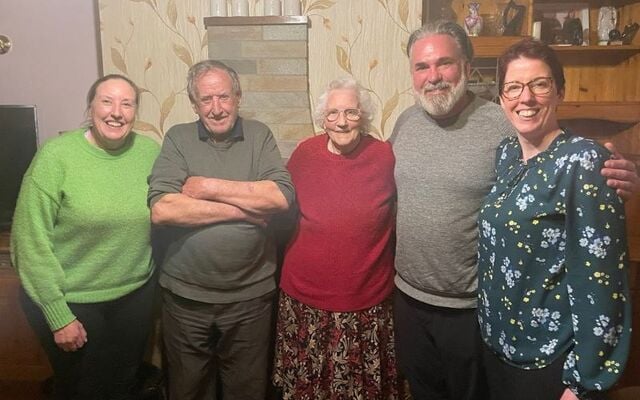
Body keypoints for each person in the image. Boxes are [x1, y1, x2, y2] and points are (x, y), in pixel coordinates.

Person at [390, 20, 639, 400]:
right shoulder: (408, 122)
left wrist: (622, 176)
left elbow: (562, 156)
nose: (434, 76)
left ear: (468, 69)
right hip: (414, 300)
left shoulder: (502, 126)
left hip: (471, 311)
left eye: (445, 63)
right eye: (422, 66)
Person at [477, 38, 630, 400]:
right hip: (497, 347)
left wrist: (582, 383)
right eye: (513, 87)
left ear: (559, 91)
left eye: (539, 84)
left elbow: (602, 281)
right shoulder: (507, 155)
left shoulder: (584, 163)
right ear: (501, 98)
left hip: (549, 361)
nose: (525, 98)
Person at [147, 60, 294, 400]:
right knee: (188, 390)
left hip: (250, 299)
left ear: (238, 97)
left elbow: (280, 197)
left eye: (224, 97)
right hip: (185, 299)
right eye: (206, 100)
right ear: (194, 104)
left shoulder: (259, 135)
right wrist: (240, 208)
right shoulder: (178, 138)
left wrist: (205, 186)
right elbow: (163, 208)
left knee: (246, 390)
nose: (216, 108)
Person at [11, 74, 160, 400]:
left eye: (127, 103)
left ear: (135, 111)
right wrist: (58, 315)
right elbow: (29, 241)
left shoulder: (149, 153)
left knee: (124, 383)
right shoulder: (56, 156)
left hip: (134, 296)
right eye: (107, 101)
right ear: (90, 106)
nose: (116, 112)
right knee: (83, 390)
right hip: (73, 299)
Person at [272, 78, 401, 399]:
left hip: (366, 304)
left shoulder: (384, 156)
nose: (341, 122)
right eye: (332, 114)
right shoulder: (305, 154)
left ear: (364, 117)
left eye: (351, 113)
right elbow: (280, 203)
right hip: (305, 301)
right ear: (322, 120)